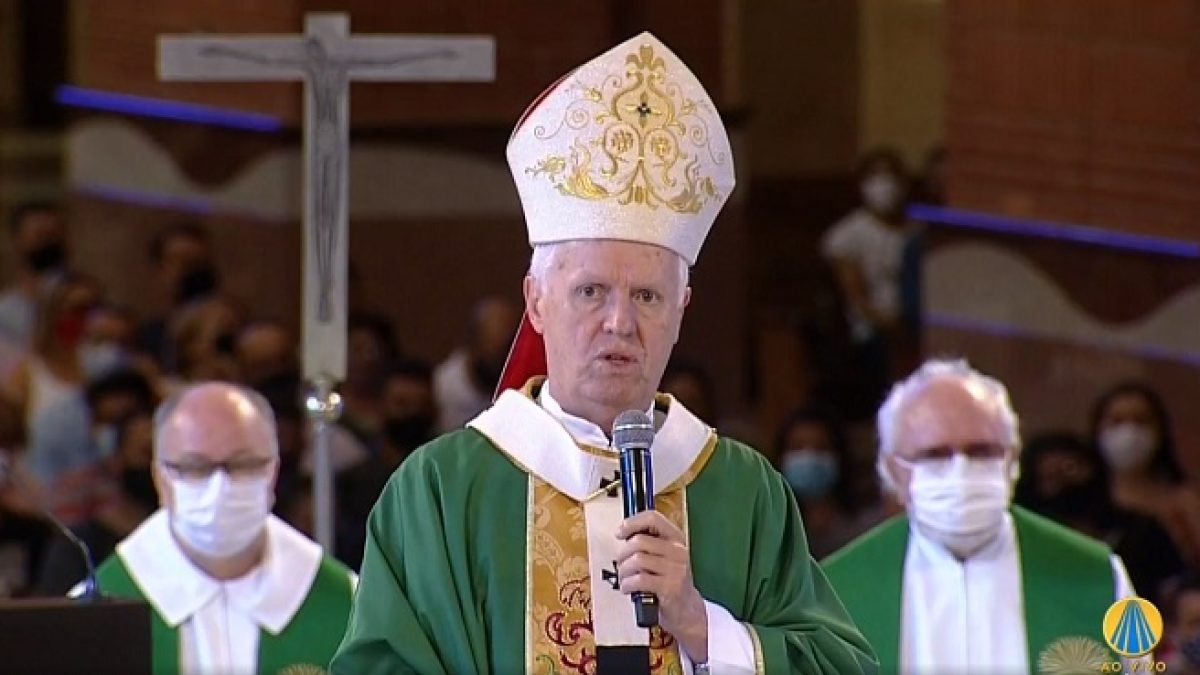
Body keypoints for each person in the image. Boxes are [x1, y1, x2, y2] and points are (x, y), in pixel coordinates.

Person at [332, 32, 876, 675]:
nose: (619, 323)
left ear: (682, 311)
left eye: (647, 296)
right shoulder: (441, 492)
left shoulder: (742, 492)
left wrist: (703, 627)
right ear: (537, 302)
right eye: (591, 292)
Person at [823, 359, 1141, 673]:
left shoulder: (1098, 577)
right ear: (894, 470)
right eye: (935, 455)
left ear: (1012, 460)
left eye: (982, 452)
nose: (960, 471)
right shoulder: (832, 594)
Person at [87, 382, 356, 673]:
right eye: (195, 467)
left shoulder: (354, 606)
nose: (220, 488)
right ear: (160, 479)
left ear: (273, 472)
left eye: (243, 464)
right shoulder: (90, 617)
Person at [1014, 430, 1185, 605]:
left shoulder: (1142, 531)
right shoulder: (1028, 547)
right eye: (1050, 478)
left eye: (1070, 470)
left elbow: (1174, 590)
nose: (1064, 485)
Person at [1090, 381, 1200, 566]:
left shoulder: (1183, 502)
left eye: (1141, 421)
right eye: (1117, 421)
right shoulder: (1083, 498)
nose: (1129, 432)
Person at [775, 407, 881, 559]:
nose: (809, 457)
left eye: (821, 448)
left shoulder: (866, 529)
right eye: (798, 447)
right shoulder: (768, 529)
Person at [433, 295, 520, 432]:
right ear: (473, 341)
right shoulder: (443, 386)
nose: (501, 357)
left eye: (508, 347)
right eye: (494, 346)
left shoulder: (526, 385)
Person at [0, 202, 69, 350]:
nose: (49, 243)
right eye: (40, 236)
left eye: (54, 235)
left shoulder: (80, 298)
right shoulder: (5, 311)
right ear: (18, 240)